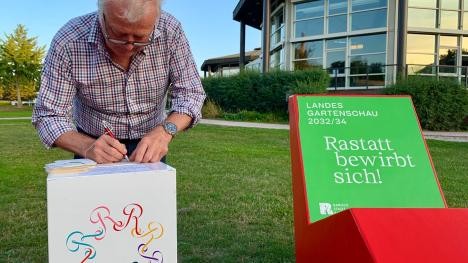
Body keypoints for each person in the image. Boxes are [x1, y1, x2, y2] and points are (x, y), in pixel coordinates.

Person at [32, 0, 206, 164]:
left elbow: (190, 94)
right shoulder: (69, 41)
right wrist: (87, 146)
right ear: (102, 16)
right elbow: (48, 114)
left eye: (140, 38)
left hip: (152, 142)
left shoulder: (170, 31)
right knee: (96, 197)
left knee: (149, 197)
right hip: (92, 144)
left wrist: (166, 130)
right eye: (118, 35)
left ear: (155, 20)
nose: (129, 46)